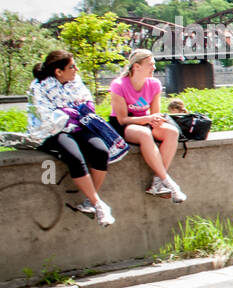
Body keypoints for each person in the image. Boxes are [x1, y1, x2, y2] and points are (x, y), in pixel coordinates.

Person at [25, 50, 115, 226]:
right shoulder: (39, 87)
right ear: (58, 71)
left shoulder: (75, 82)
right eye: (72, 66)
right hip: (51, 131)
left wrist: (80, 110)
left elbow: (87, 103)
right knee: (74, 156)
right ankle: (99, 205)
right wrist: (69, 113)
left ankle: (90, 201)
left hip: (77, 126)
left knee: (101, 151)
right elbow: (46, 117)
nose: (76, 70)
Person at [109, 49, 186, 202]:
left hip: (146, 121)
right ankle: (169, 182)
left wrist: (155, 119)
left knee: (171, 132)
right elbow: (123, 119)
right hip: (125, 125)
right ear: (136, 66)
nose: (154, 68)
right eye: (150, 64)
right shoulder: (118, 85)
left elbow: (155, 113)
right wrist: (147, 119)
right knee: (144, 134)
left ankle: (157, 182)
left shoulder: (155, 84)